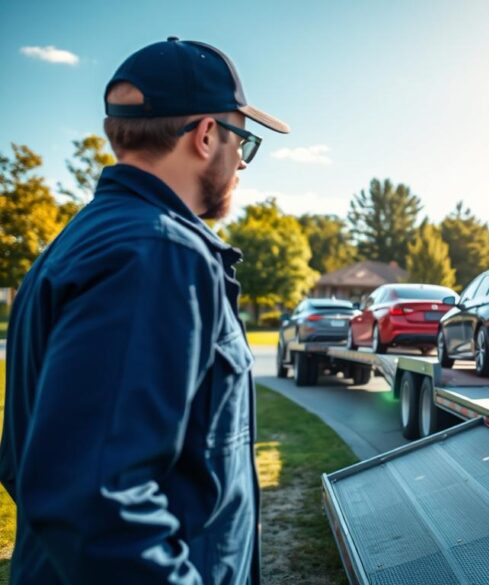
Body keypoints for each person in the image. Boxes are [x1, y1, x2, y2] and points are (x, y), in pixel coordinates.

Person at [0, 37, 289, 584]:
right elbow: (96, 499)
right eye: (243, 142)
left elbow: (30, 462)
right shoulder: (158, 254)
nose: (241, 166)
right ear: (206, 135)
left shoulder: (76, 243)